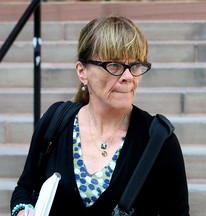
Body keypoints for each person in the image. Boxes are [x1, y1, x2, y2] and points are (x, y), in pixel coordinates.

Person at [10, 16, 190, 216]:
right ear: (82, 72)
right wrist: (22, 211)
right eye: (114, 65)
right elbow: (25, 188)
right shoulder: (56, 121)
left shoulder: (158, 140)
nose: (128, 77)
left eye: (136, 65)